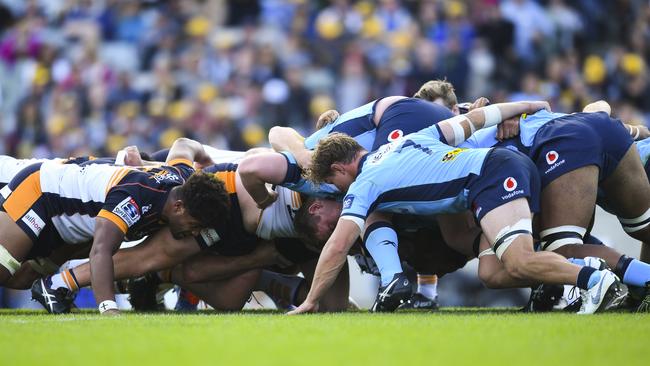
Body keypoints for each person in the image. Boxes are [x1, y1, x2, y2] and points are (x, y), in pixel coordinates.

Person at [288, 101, 623, 315]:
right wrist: (530, 104)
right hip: (505, 168)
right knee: (492, 273)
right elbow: (475, 119)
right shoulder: (403, 141)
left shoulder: (363, 186)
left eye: (335, 184)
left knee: (519, 261)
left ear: (338, 170)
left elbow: (335, 248)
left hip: (491, 177)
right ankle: (601, 271)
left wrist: (310, 300)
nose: (338, 191)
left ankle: (595, 279)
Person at [32, 159, 346, 313]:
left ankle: (160, 278)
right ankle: (59, 283)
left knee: (230, 299)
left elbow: (334, 307)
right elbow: (274, 139)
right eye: (333, 223)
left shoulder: (332, 226)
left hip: (250, 235)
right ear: (319, 203)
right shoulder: (305, 175)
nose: (331, 230)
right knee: (151, 256)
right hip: (223, 200)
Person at [4, 137, 230, 315]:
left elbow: (184, 144)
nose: (194, 232)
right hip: (39, 192)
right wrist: (108, 307)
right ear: (179, 207)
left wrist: (207, 165)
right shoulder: (135, 198)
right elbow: (101, 250)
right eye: (194, 225)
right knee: (3, 270)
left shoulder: (183, 176)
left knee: (22, 279)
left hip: (67, 220)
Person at [460, 101, 650, 311]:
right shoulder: (512, 117)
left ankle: (621, 279)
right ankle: (638, 288)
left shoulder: (461, 143)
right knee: (644, 228)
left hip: (569, 144)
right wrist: (637, 130)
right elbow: (597, 109)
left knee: (562, 248)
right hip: (607, 133)